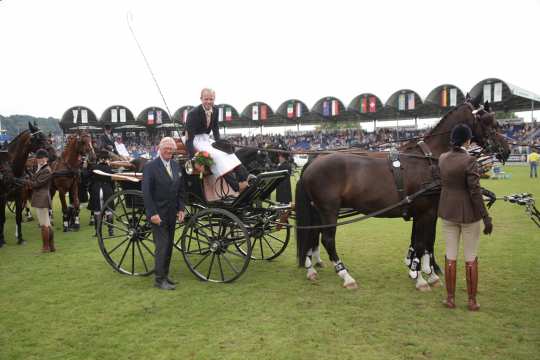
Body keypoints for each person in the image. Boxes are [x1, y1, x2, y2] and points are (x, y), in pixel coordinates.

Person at [438, 124, 493, 311]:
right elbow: (475, 193)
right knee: (470, 257)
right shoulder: (470, 161)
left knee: (450, 255)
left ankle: (450, 298)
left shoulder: (442, 158)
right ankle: (471, 301)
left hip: (447, 212)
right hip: (469, 215)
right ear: (467, 141)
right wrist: (486, 217)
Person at [185, 88, 251, 192]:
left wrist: (220, 144)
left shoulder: (215, 110)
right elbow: (188, 139)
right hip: (195, 140)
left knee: (228, 153)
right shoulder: (193, 114)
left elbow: (215, 128)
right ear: (201, 99)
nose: (208, 102)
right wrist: (194, 158)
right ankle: (236, 186)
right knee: (217, 156)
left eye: (211, 99)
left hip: (207, 139)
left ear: (214, 99)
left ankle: (246, 177)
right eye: (206, 99)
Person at [142, 137, 185, 290]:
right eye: (166, 148)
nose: (169, 151)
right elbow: (146, 193)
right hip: (158, 215)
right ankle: (159, 280)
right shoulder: (150, 167)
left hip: (172, 213)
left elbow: (181, 190)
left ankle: (165, 276)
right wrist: (152, 213)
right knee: (162, 245)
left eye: (171, 149)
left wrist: (181, 209)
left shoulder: (176, 165)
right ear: (159, 149)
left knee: (169, 245)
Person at [30, 149, 54, 252]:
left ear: (46, 159)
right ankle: (51, 246)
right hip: (41, 196)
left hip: (42, 197)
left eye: (42, 158)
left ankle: (46, 247)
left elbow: (37, 184)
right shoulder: (41, 168)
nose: (40, 160)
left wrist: (28, 183)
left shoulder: (46, 170)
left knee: (44, 224)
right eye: (39, 158)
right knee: (47, 223)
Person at [89, 150, 115, 236]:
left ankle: (98, 232)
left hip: (97, 190)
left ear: (99, 159)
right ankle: (110, 231)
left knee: (97, 212)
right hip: (107, 190)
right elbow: (112, 182)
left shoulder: (94, 167)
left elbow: (87, 178)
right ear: (107, 159)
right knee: (109, 212)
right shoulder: (109, 168)